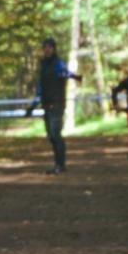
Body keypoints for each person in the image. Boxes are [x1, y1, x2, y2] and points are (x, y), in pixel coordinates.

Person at [34, 37, 81, 174]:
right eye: (45, 47)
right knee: (51, 136)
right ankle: (58, 164)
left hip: (57, 104)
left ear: (54, 49)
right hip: (46, 105)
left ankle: (60, 164)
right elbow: (41, 86)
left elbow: (65, 72)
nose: (47, 49)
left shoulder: (58, 63)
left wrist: (73, 76)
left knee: (55, 135)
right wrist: (34, 104)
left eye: (50, 47)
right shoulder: (43, 65)